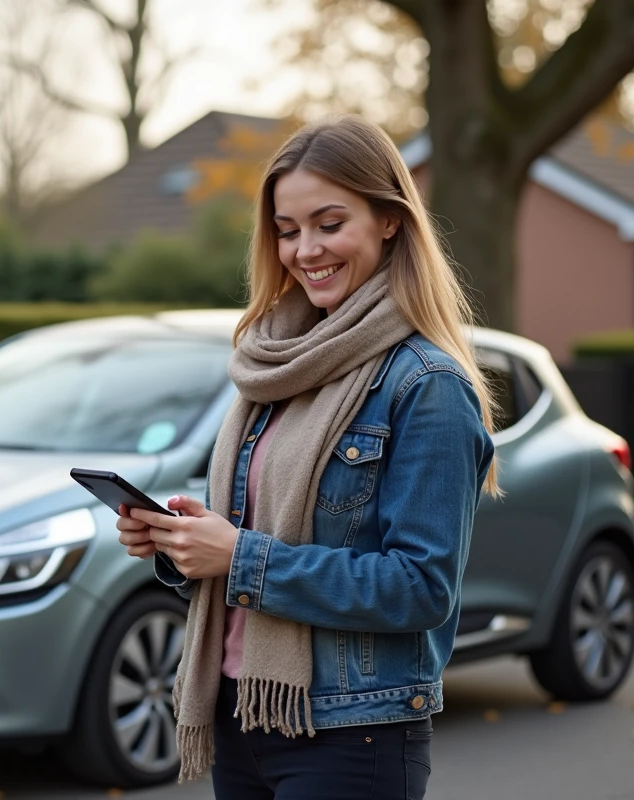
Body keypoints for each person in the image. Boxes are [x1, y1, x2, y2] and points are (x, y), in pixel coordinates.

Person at [115, 114, 499, 799]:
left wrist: (240, 556)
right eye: (287, 231)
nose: (305, 250)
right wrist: (185, 545)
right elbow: (269, 540)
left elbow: (420, 588)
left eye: (329, 223)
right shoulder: (276, 369)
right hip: (244, 716)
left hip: (352, 733)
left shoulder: (426, 387)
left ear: (389, 220)